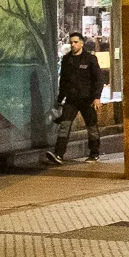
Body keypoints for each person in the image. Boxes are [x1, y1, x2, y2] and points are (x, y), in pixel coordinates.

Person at [45, 33, 107, 165]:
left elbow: (98, 79)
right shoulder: (67, 59)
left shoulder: (90, 59)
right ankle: (58, 154)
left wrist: (96, 97)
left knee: (91, 126)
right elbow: (63, 81)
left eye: (75, 42)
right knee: (64, 125)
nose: (73, 45)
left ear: (82, 43)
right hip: (71, 99)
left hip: (87, 99)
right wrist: (60, 99)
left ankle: (94, 153)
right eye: (71, 42)